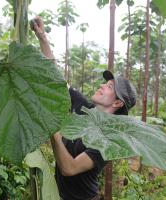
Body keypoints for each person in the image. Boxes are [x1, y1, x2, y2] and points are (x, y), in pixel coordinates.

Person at [31, 16, 137, 200]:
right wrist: (42, 38)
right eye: (106, 83)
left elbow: (69, 168)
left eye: (110, 87)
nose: (103, 86)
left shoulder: (109, 140)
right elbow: (55, 79)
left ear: (118, 103)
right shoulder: (85, 108)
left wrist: (52, 129)